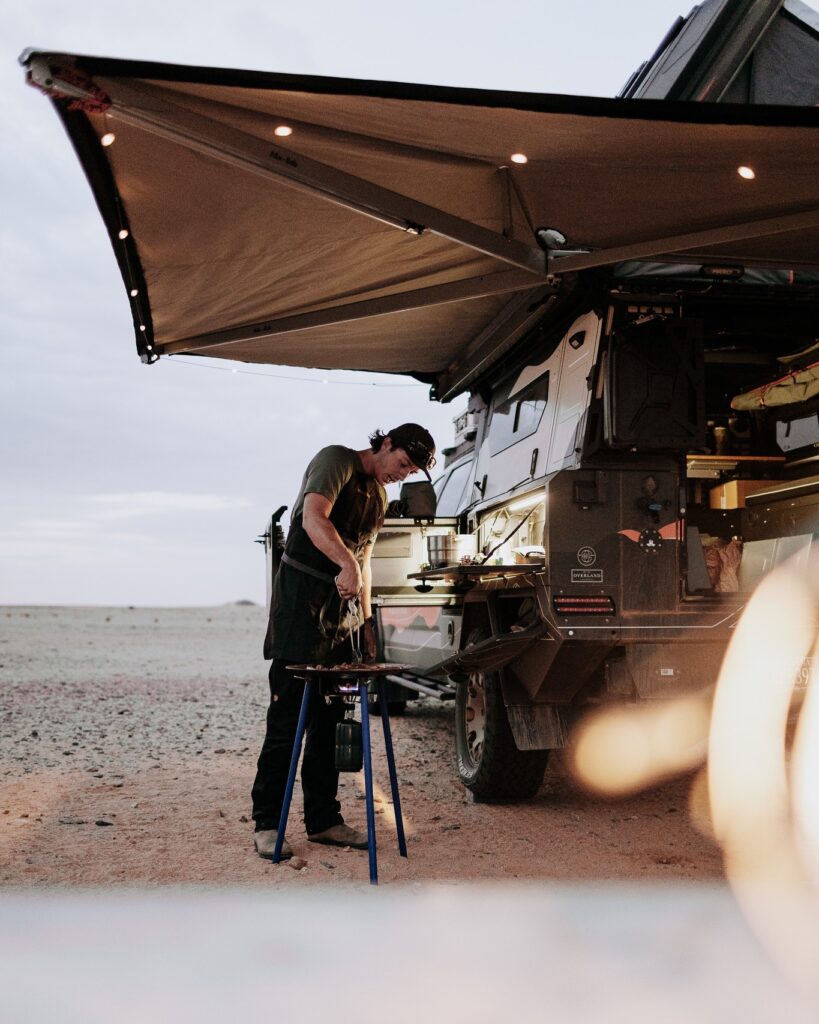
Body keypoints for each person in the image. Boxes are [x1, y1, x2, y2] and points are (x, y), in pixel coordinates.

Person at [251, 423, 436, 859]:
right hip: (300, 610)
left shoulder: (381, 496)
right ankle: (267, 825)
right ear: (385, 443)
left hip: (343, 624)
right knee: (286, 727)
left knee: (332, 725)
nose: (400, 474)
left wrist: (368, 624)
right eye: (402, 463)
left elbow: (365, 562)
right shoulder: (337, 460)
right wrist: (346, 563)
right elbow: (313, 518)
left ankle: (324, 821)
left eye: (410, 472)